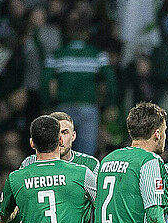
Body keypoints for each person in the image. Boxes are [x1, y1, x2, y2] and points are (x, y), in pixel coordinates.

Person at [40, 14, 117, 155]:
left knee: (61, 152)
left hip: (63, 109)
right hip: (88, 107)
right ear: (87, 33)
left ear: (68, 32)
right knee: (86, 155)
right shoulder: (97, 55)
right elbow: (110, 79)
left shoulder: (57, 55)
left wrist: (47, 104)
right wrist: (109, 103)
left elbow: (45, 81)